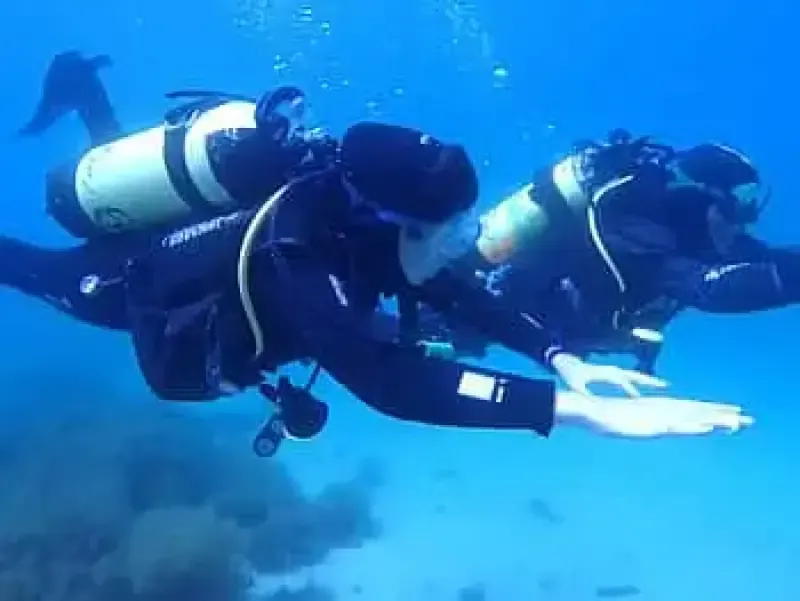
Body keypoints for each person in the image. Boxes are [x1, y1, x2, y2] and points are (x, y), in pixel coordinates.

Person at [7, 54, 752, 452]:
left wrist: (561, 356)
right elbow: (392, 384)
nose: (464, 244)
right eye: (450, 230)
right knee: (35, 270)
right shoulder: (299, 257)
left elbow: (464, 294)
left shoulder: (371, 218)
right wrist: (574, 413)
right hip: (134, 285)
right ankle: (79, 113)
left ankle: (82, 93)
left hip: (201, 242)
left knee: (110, 221)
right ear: (390, 218)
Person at [419, 129, 800, 376]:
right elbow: (708, 289)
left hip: (542, 329)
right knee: (417, 339)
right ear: (700, 197)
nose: (745, 220)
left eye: (751, 203)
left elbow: (761, 257)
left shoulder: (698, 232)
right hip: (501, 311)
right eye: (737, 203)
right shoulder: (634, 225)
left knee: (446, 343)